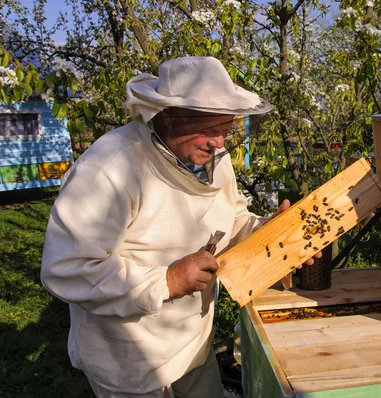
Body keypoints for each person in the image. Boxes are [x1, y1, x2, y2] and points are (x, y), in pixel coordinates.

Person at [40, 56, 319, 398]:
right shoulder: (111, 167)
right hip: (128, 358)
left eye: (226, 128)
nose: (219, 142)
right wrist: (167, 280)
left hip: (193, 343)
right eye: (210, 128)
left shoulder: (216, 158)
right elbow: (66, 268)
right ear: (167, 116)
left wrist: (269, 232)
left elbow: (231, 220)